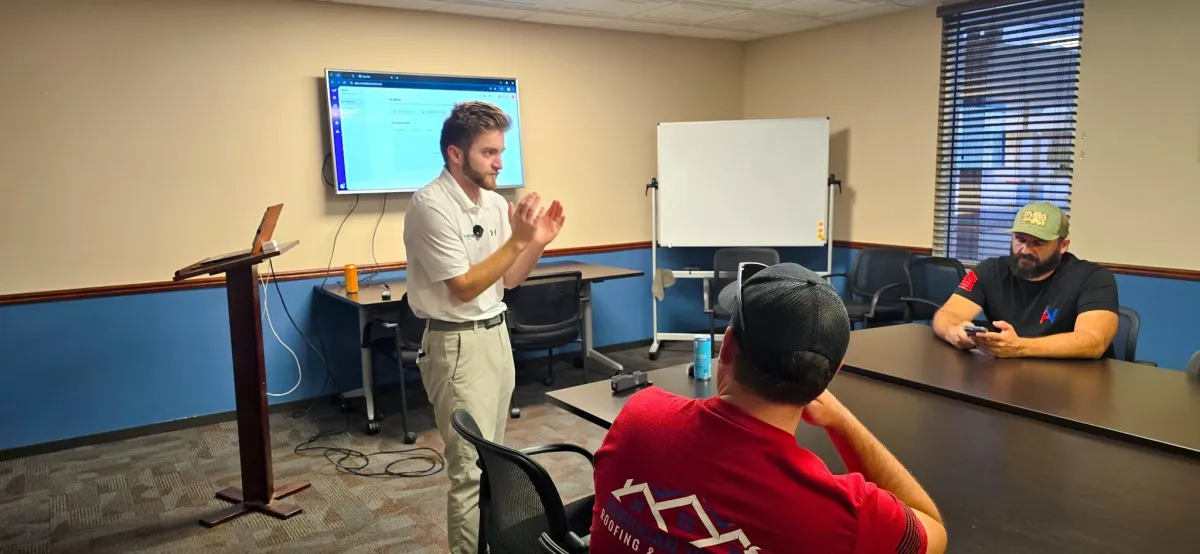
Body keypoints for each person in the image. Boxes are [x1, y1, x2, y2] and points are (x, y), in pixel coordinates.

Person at [590, 262, 948, 554]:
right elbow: (933, 531)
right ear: (830, 376)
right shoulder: (845, 515)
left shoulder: (638, 417)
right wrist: (843, 422)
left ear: (727, 346)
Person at [402, 100, 566, 554]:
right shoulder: (429, 206)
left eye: (500, 152)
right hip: (455, 346)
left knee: (497, 464)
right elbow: (464, 287)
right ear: (456, 154)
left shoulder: (494, 203)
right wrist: (517, 239)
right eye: (488, 153)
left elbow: (508, 279)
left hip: (495, 335)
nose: (499, 163)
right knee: (469, 472)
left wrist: (535, 244)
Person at [932, 202, 1119, 359]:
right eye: (1020, 239)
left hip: (1077, 386)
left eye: (1038, 243)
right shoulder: (989, 270)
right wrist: (953, 331)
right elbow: (947, 313)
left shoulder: (1094, 277)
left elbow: (1093, 341)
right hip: (1009, 379)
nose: (1026, 250)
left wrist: (1020, 347)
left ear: (1063, 245)